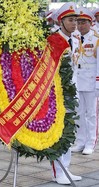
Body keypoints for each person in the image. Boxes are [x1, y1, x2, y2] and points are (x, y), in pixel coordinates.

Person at [50, 2, 82, 185]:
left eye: (75, 20)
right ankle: (57, 171)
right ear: (61, 21)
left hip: (73, 90)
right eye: (70, 20)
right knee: (58, 132)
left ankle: (66, 167)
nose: (74, 24)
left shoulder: (76, 39)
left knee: (69, 131)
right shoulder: (54, 40)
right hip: (58, 93)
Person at [70, 7, 99, 155]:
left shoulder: (96, 38)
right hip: (78, 81)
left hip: (91, 82)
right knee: (79, 112)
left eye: (83, 22)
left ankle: (91, 142)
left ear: (90, 22)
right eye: (78, 22)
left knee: (92, 114)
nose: (80, 25)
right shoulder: (74, 38)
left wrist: (98, 83)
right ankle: (80, 142)